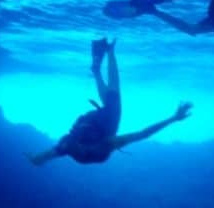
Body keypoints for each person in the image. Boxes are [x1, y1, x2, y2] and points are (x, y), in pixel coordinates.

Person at [27, 38, 193, 165]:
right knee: (110, 102)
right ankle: (99, 68)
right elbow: (143, 134)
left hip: (97, 123)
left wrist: (173, 118)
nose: (86, 150)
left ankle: (110, 52)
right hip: (95, 123)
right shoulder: (104, 144)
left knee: (113, 95)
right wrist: (172, 119)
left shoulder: (71, 146)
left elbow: (142, 134)